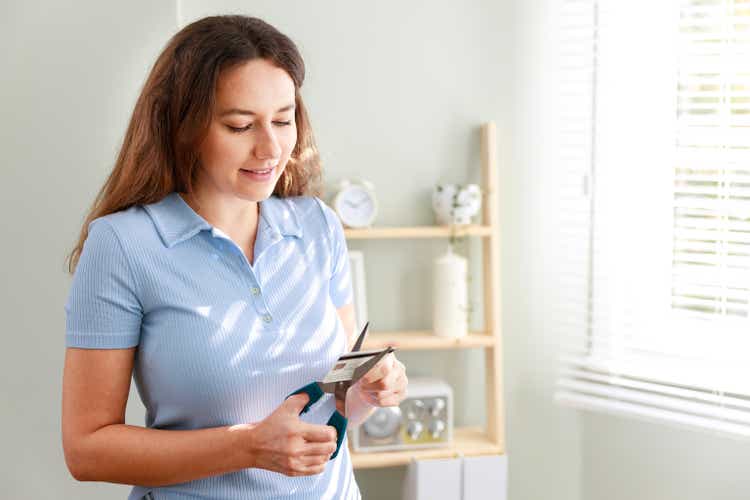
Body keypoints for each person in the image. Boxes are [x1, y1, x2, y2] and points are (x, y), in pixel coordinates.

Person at [62, 15, 407, 500]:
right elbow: (86, 449)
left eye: (283, 119)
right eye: (240, 125)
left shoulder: (318, 225)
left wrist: (368, 390)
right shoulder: (123, 245)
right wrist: (247, 448)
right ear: (184, 126)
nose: (270, 148)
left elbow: (331, 404)